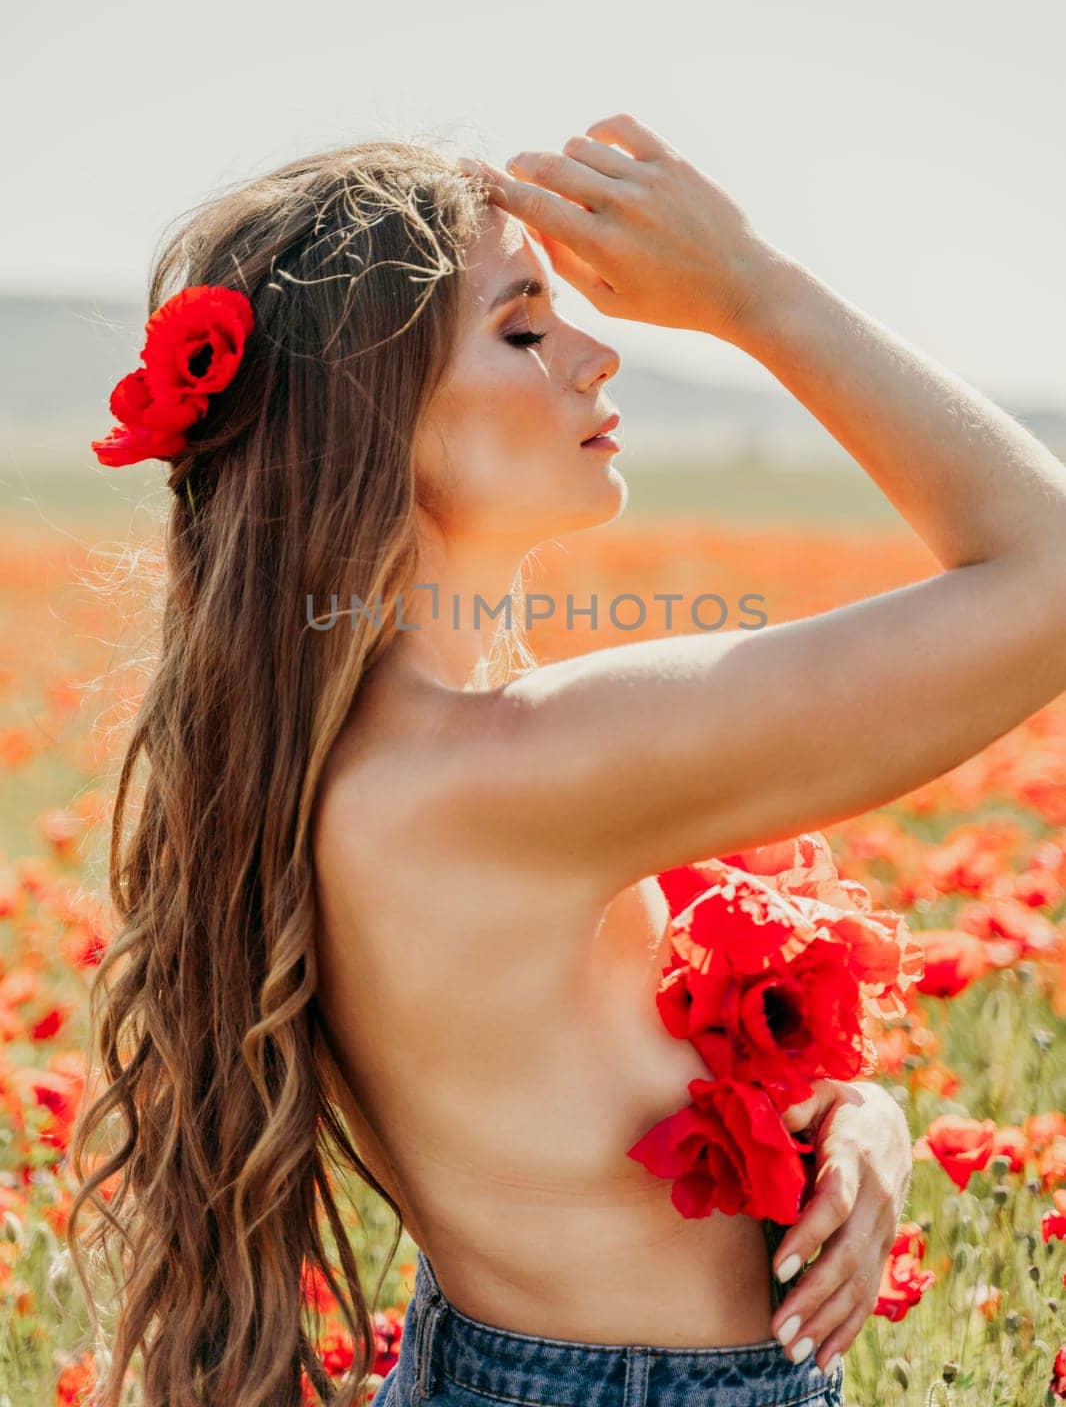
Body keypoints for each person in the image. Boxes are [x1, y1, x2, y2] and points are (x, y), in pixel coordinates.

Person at [68, 115, 1066, 1407]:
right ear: (370, 426)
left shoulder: (390, 748)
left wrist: (842, 1121)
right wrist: (746, 291)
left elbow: (589, 1091)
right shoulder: (489, 773)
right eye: (525, 330)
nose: (598, 356)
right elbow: (1045, 575)